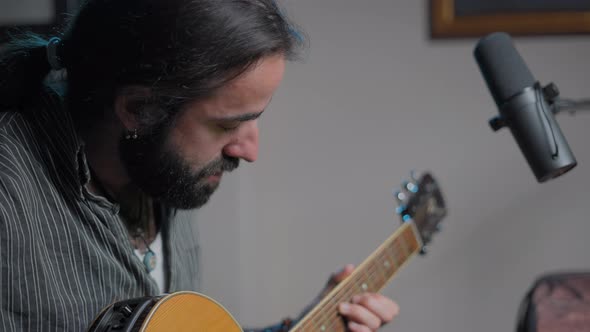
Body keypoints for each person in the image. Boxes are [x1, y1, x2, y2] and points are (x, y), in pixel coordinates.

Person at [0, 0, 399, 331]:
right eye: (228, 124)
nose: (248, 150)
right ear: (139, 110)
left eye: (255, 118)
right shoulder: (10, 199)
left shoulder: (159, 168)